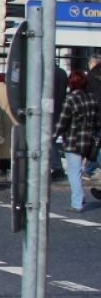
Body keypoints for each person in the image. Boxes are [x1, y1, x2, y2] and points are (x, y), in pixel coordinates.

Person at [54, 70, 101, 212]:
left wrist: (53, 136)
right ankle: (78, 199)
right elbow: (98, 121)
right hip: (90, 140)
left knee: (74, 172)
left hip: (74, 140)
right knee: (83, 169)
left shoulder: (71, 99)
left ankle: (77, 202)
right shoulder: (92, 98)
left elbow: (62, 122)